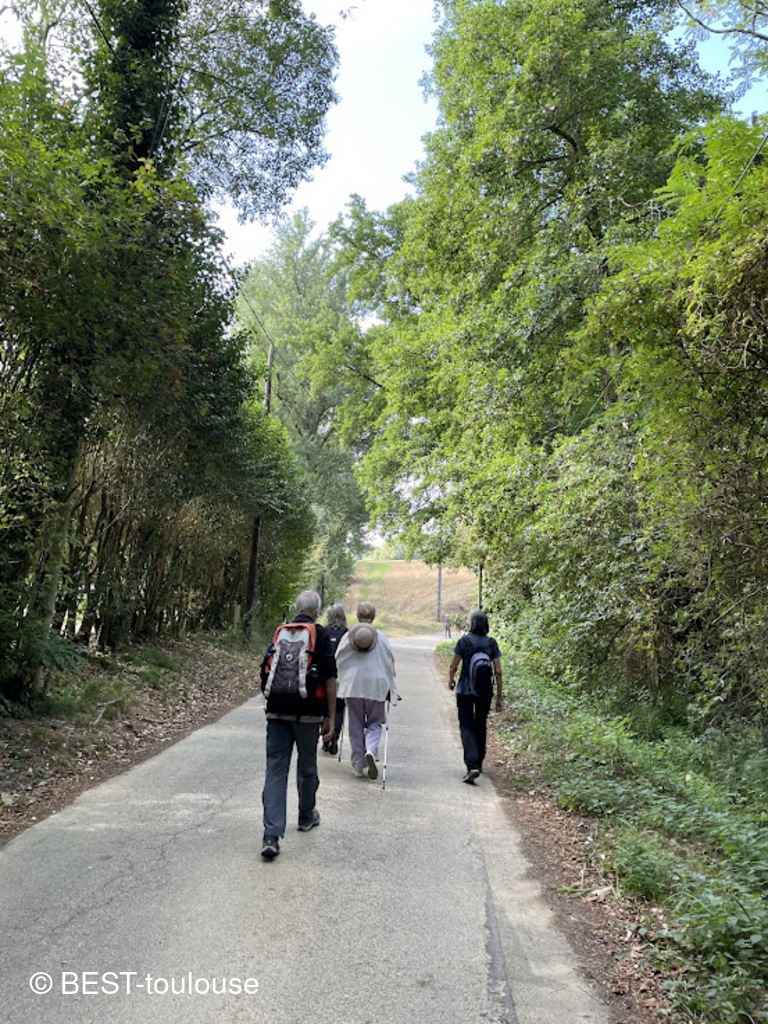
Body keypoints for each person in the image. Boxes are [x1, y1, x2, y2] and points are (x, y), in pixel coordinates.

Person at [259, 590, 337, 859]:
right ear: (317, 611)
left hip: (277, 711)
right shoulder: (320, 634)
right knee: (307, 765)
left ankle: (271, 835)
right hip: (308, 712)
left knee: (275, 770)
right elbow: (330, 678)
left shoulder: (280, 631)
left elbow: (265, 670)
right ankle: (305, 815)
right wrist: (331, 716)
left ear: (296, 608)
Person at [335, 601, 397, 780]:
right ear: (374, 617)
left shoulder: (348, 636)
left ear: (357, 616)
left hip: (353, 685)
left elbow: (338, 658)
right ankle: (370, 749)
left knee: (355, 724)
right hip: (376, 686)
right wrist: (391, 687)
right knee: (375, 722)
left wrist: (341, 680)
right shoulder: (381, 637)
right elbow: (390, 663)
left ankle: (358, 765)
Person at [447, 609, 503, 784]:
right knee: (480, 723)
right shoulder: (491, 643)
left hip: (465, 690)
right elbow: (498, 671)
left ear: (470, 624)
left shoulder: (464, 642)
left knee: (466, 725)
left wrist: (451, 680)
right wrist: (499, 697)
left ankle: (472, 765)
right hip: (485, 692)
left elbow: (453, 666)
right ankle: (479, 762)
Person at [322, 603, 348, 756]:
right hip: (341, 677)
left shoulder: (323, 632)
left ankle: (325, 738)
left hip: (325, 676)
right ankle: (335, 737)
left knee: (324, 707)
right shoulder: (347, 634)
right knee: (338, 708)